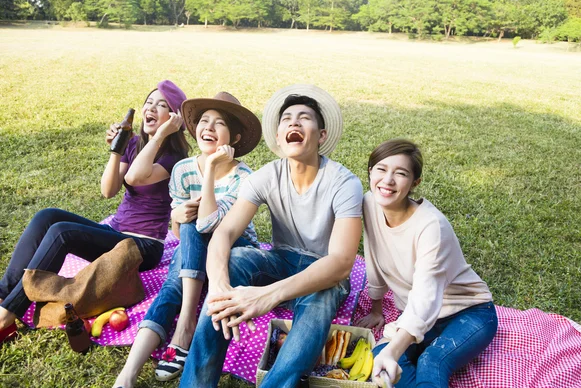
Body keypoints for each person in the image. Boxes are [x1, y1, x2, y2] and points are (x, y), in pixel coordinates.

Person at [178, 84, 364, 387]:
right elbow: (224, 232)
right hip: (281, 259)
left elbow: (342, 263)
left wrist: (267, 295)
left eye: (304, 118)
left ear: (322, 135)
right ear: (278, 137)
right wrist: (219, 287)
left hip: (324, 270)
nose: (294, 122)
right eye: (287, 119)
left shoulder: (344, 183)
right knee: (235, 260)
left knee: (322, 297)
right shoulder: (266, 176)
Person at [0, 80, 190, 345]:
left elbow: (134, 178)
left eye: (162, 105)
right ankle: (4, 293)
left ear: (174, 119)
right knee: (47, 216)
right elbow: (108, 190)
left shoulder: (174, 157)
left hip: (142, 247)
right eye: (149, 102)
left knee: (62, 233)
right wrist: (117, 149)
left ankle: (6, 315)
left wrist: (159, 136)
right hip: (115, 231)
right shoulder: (133, 143)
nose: (152, 108)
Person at [112, 92, 262, 387]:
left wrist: (207, 177)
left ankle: (185, 327)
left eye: (219, 123)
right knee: (173, 280)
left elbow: (211, 224)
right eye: (204, 121)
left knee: (194, 225)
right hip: (195, 255)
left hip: (235, 250)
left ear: (234, 137)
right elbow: (181, 236)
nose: (208, 127)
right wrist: (176, 217)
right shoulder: (182, 170)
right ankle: (126, 376)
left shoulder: (244, 177)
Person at [356, 139, 498, 388]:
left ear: (415, 182)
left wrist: (394, 350)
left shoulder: (432, 226)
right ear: (370, 171)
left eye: (400, 173)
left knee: (432, 360)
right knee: (379, 359)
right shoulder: (370, 203)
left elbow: (425, 295)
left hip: (467, 312)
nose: (387, 180)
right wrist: (377, 309)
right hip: (416, 316)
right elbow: (374, 256)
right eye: (381, 169)